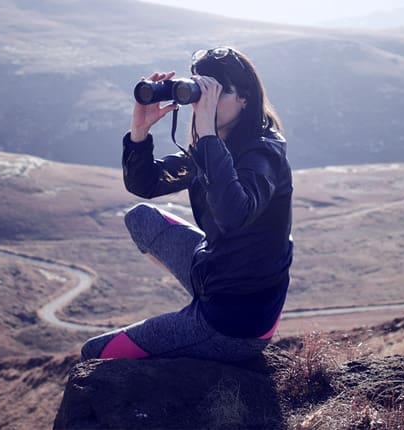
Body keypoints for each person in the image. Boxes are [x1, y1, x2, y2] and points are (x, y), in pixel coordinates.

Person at [81, 46, 293, 362]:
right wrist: (139, 133)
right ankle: (200, 304)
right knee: (140, 218)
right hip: (217, 270)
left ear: (245, 98)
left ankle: (198, 323)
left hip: (236, 321)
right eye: (200, 93)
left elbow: (234, 214)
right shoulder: (218, 143)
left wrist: (206, 132)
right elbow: (146, 184)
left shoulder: (262, 154)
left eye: (217, 94)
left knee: (95, 353)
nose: (204, 104)